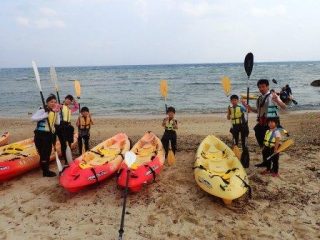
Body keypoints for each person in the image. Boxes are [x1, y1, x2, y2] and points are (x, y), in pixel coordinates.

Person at [246, 79, 286, 150]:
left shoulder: (273, 96)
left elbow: (284, 107)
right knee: (257, 130)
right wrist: (250, 108)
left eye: (263, 86)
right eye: (259, 87)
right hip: (263, 121)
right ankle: (264, 147)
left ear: (268, 87)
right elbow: (258, 111)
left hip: (272, 121)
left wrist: (277, 100)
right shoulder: (259, 98)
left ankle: (271, 147)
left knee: (268, 135)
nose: (261, 89)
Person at [31, 94, 61, 177]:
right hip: (40, 135)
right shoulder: (43, 110)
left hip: (49, 135)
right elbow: (33, 118)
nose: (53, 103)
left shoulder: (54, 111)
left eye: (55, 102)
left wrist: (57, 113)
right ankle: (45, 170)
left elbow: (57, 123)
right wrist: (45, 115)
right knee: (43, 153)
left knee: (46, 153)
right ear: (47, 102)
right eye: (51, 102)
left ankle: (45, 170)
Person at [56, 95, 79, 165]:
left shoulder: (69, 109)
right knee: (63, 144)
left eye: (70, 100)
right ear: (65, 99)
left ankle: (69, 157)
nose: (69, 101)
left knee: (69, 143)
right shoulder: (61, 106)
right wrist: (59, 105)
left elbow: (77, 107)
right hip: (61, 126)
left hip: (68, 126)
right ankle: (66, 160)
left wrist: (74, 101)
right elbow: (55, 108)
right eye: (67, 99)